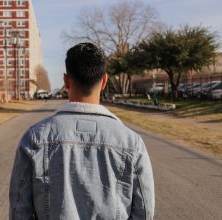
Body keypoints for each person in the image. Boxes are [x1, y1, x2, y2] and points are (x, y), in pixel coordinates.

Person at [9, 43, 155, 220]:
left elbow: (19, 211)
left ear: (66, 81)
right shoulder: (132, 143)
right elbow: (145, 212)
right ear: (104, 81)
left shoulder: (35, 138)